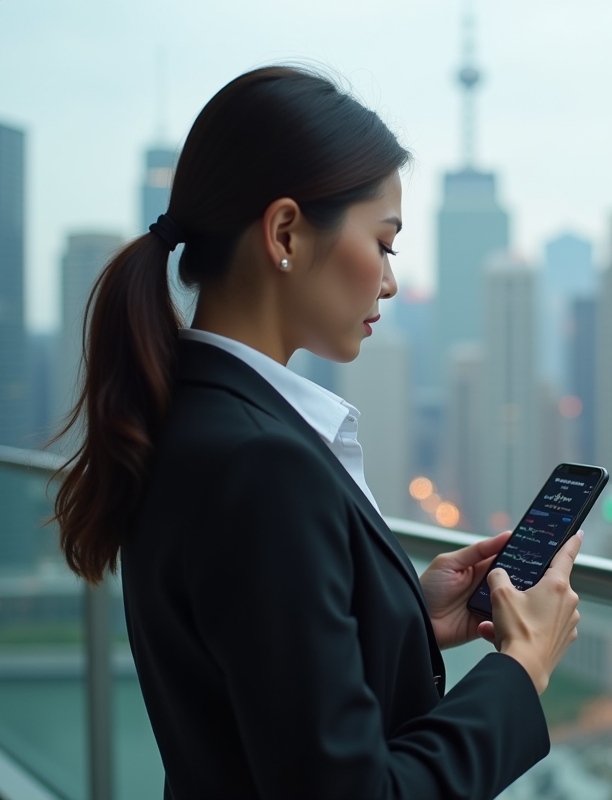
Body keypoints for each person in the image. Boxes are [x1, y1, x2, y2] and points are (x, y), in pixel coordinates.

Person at [52, 67, 582, 799]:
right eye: (385, 243)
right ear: (285, 234)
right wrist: (521, 669)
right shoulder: (262, 463)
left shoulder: (186, 417)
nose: (389, 282)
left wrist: (404, 620)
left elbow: (252, 680)